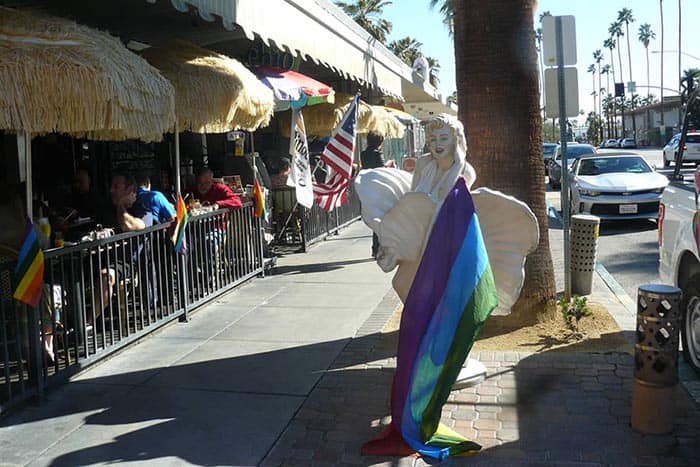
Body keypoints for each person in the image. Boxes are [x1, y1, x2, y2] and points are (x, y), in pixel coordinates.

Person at [360, 132, 388, 257]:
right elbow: (382, 170)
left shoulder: (363, 154)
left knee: (374, 217)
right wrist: (389, 165)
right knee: (381, 218)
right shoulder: (378, 153)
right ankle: (378, 247)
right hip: (378, 188)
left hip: (367, 186)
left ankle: (375, 247)